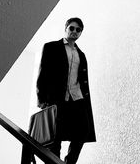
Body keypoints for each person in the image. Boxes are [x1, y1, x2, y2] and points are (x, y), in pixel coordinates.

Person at [36, 17, 96, 164]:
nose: (75, 31)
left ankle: (69, 162)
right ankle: (55, 162)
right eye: (72, 28)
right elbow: (42, 74)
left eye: (78, 30)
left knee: (83, 130)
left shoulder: (81, 54)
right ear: (66, 28)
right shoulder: (51, 47)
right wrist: (41, 99)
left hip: (76, 98)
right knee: (55, 135)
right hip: (57, 97)